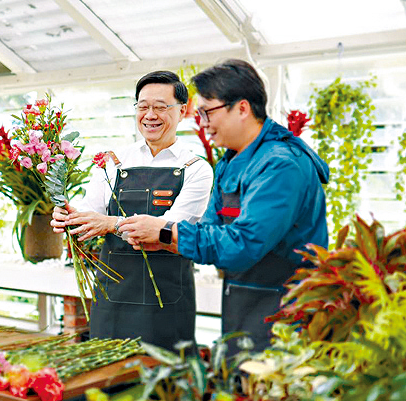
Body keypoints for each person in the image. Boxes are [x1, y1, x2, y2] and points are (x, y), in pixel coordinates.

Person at [119, 59, 329, 353]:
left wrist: (166, 232)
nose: (202, 123)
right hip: (243, 308)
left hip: (287, 317)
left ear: (242, 108)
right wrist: (162, 239)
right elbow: (209, 228)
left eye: (207, 112)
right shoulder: (231, 162)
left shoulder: (282, 166)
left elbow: (243, 244)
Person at [51, 70, 214, 351]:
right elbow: (90, 215)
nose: (150, 115)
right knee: (107, 385)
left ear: (182, 111)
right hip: (113, 299)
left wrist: (110, 224)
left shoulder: (196, 168)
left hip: (166, 301)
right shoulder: (113, 162)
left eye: (161, 107)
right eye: (143, 106)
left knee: (162, 388)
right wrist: (69, 217)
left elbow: (165, 231)